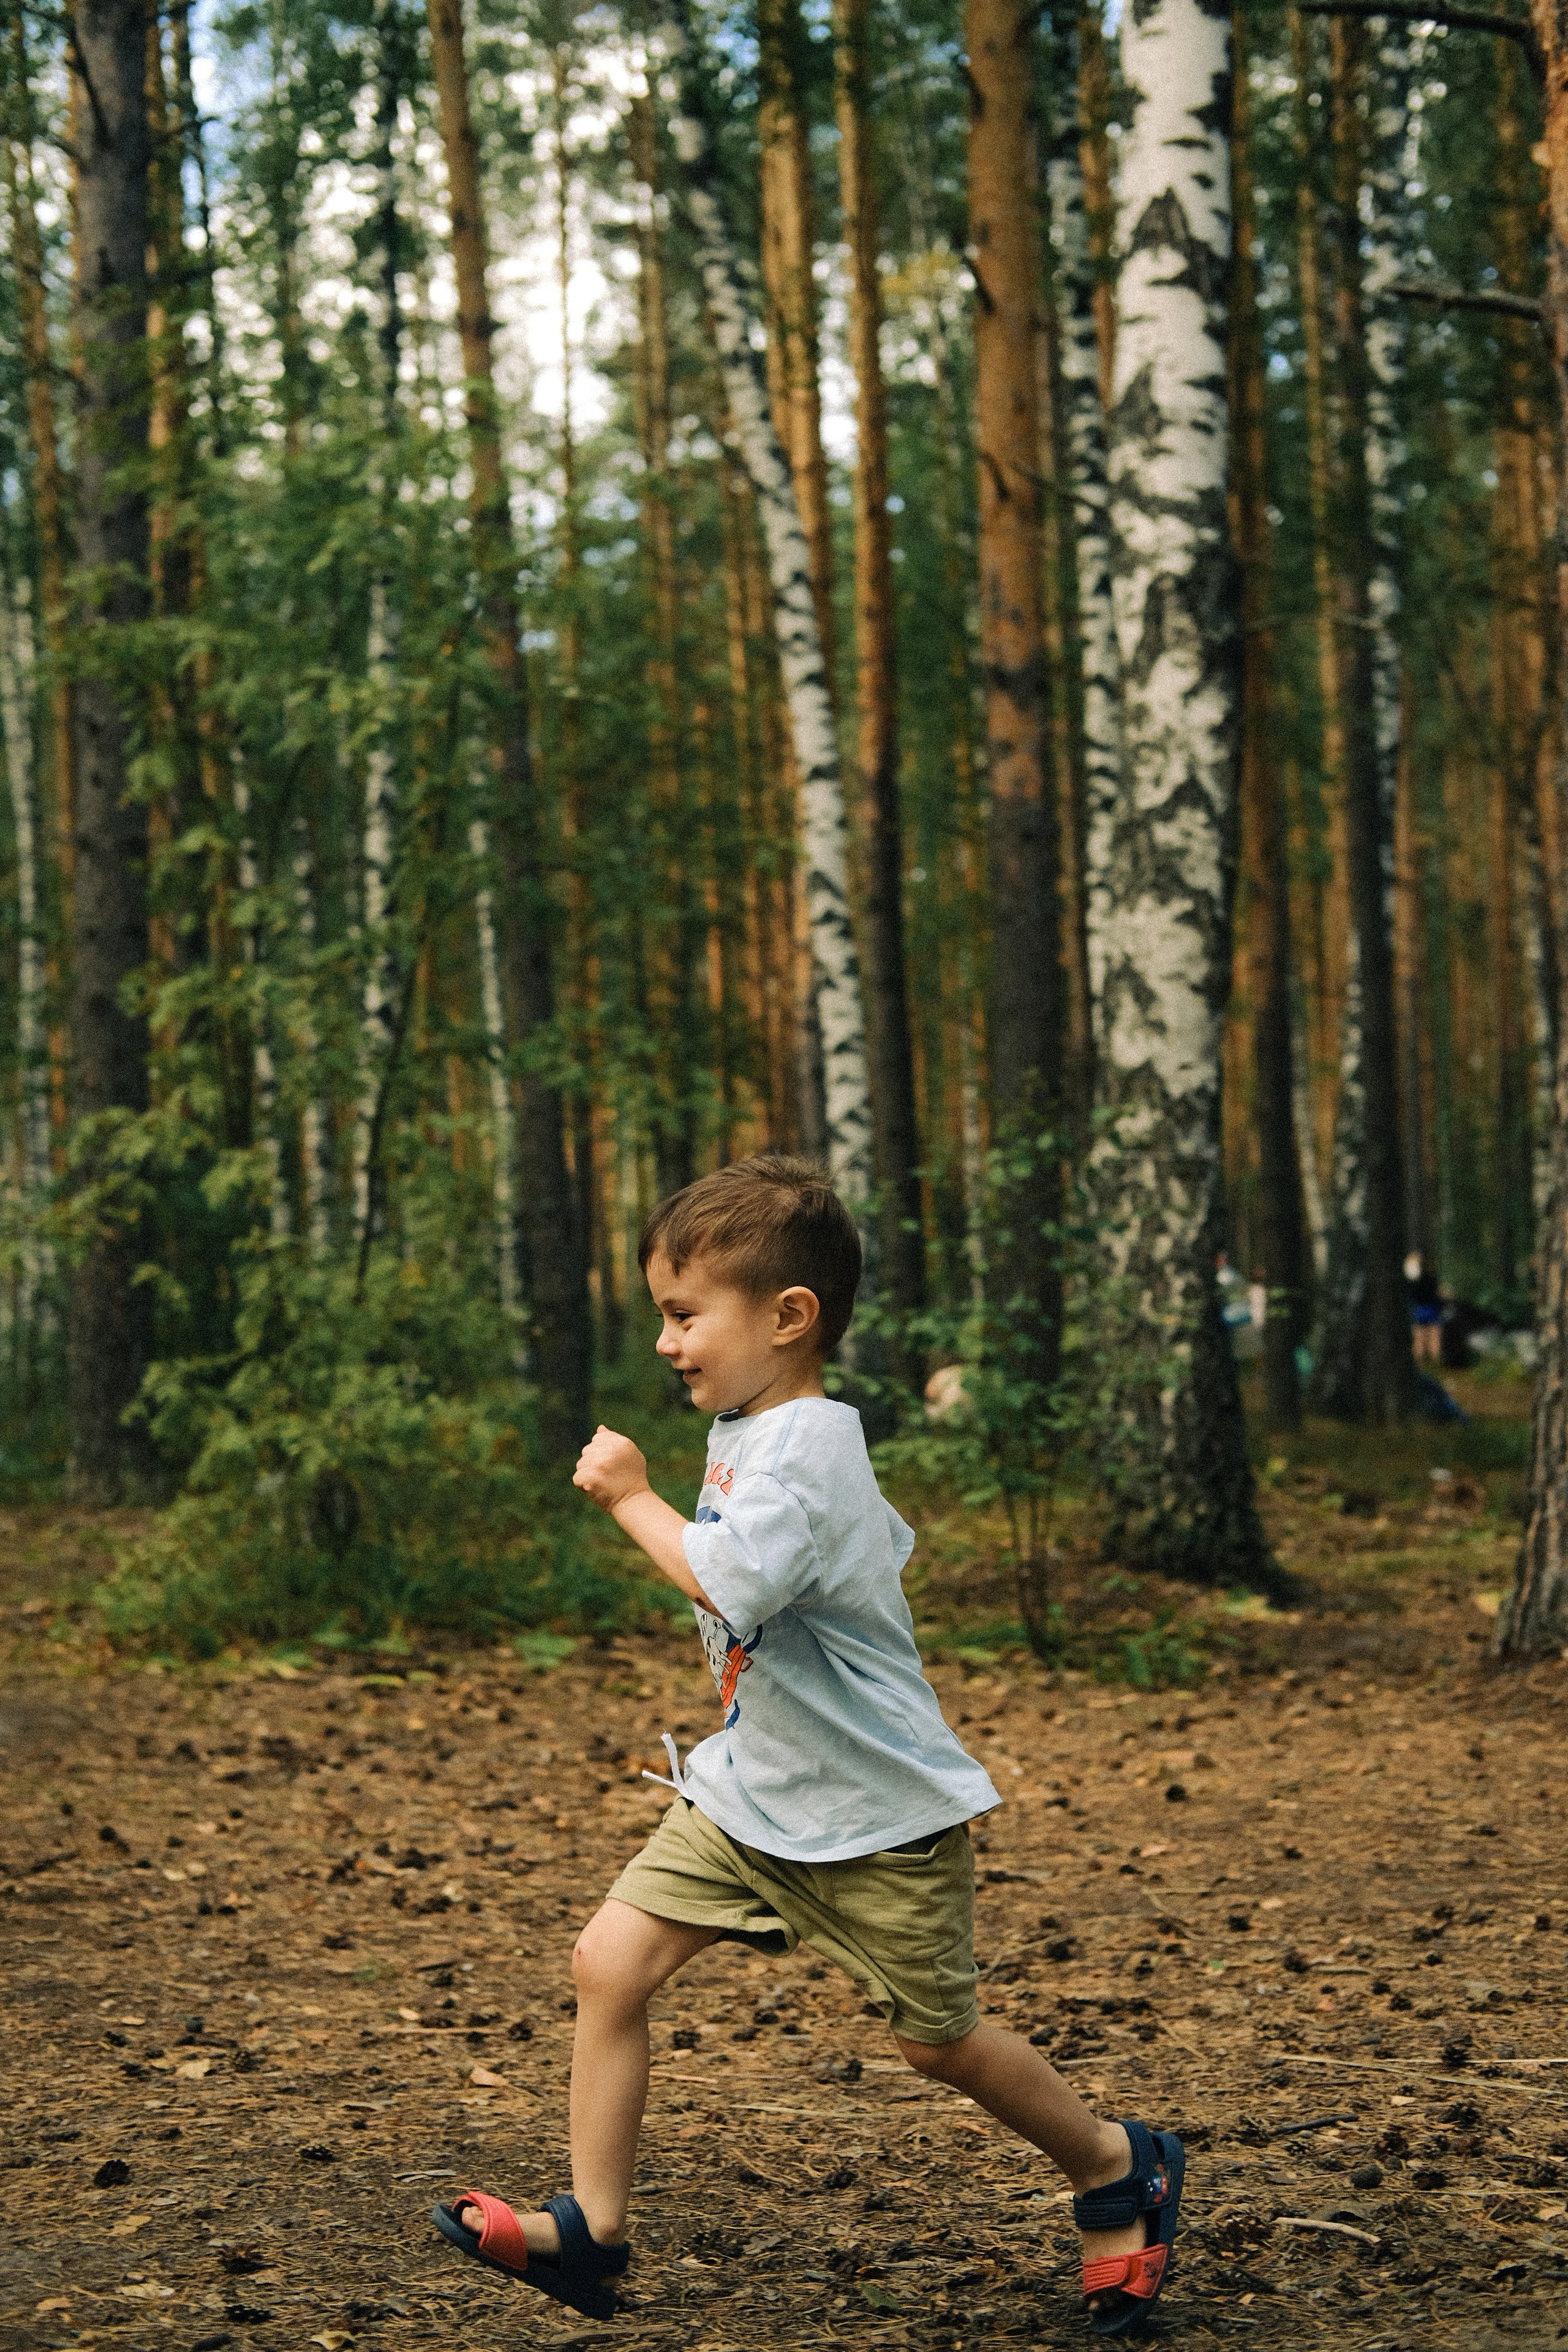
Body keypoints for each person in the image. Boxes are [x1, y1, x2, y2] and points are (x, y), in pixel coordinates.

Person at [431, 1155, 1185, 2337]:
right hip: (749, 1797)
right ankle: (591, 2231)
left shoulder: (811, 1442)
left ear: (789, 1319)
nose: (670, 1343)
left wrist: (631, 1495)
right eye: (663, 1317)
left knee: (940, 2045)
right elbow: (869, 1547)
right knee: (607, 1966)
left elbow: (732, 1581)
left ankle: (1113, 2165)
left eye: (687, 1316)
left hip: (873, 1818)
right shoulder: (753, 1427)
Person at [1404, 1250, 1442, 1368]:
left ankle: (1419, 1363)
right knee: (1433, 1335)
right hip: (1432, 1309)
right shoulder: (1432, 1277)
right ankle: (1435, 1362)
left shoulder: (1413, 1280)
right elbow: (1436, 1293)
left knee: (1419, 1337)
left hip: (1419, 1310)